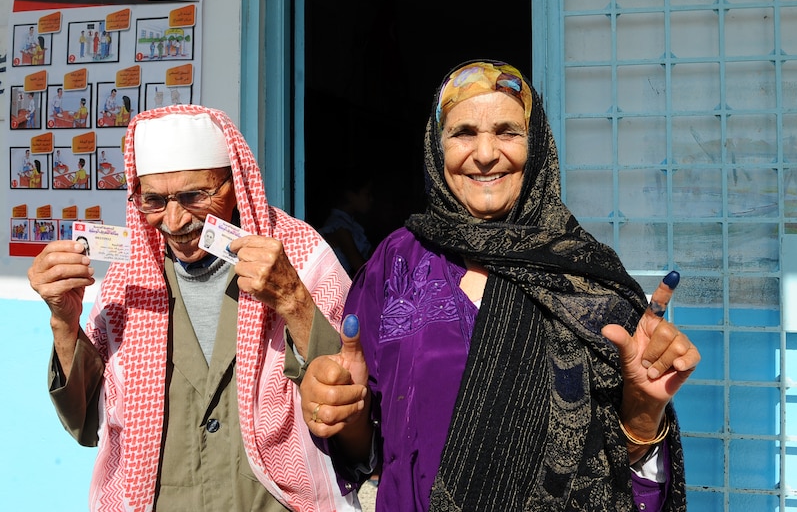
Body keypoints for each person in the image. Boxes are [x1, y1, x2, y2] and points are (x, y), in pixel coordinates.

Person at [299, 60, 701, 511]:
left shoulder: (587, 278)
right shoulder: (396, 265)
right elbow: (370, 453)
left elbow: (618, 477)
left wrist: (644, 411)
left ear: (538, 146)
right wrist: (347, 414)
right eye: (464, 132)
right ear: (436, 147)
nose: (486, 153)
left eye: (508, 131)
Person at [28, 105, 358, 511]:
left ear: (234, 184)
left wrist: (292, 300)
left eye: (193, 196)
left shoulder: (300, 259)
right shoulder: (128, 280)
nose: (175, 219)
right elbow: (87, 425)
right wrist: (64, 320)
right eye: (153, 200)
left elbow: (352, 402)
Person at [319, 171, 374, 278]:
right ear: (350, 196)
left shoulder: (352, 224)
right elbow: (361, 270)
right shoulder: (339, 228)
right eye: (367, 194)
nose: (371, 199)